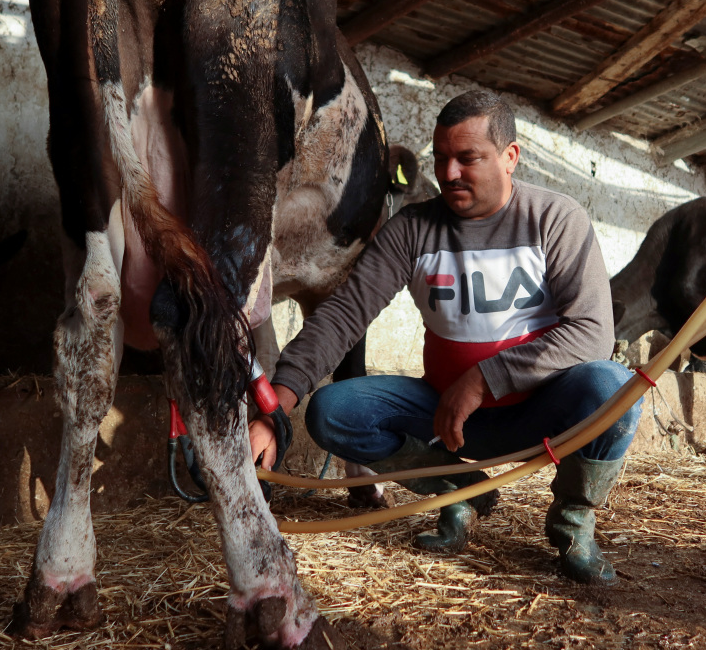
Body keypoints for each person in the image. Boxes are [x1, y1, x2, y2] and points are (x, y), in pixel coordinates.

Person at [249, 90, 642, 584]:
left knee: (615, 388)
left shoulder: (555, 220)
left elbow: (590, 333)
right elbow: (344, 314)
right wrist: (275, 407)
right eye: (441, 159)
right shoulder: (413, 229)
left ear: (510, 157)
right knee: (334, 412)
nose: (448, 173)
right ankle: (462, 487)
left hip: (539, 411)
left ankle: (573, 523)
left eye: (467, 158)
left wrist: (481, 380)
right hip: (445, 417)